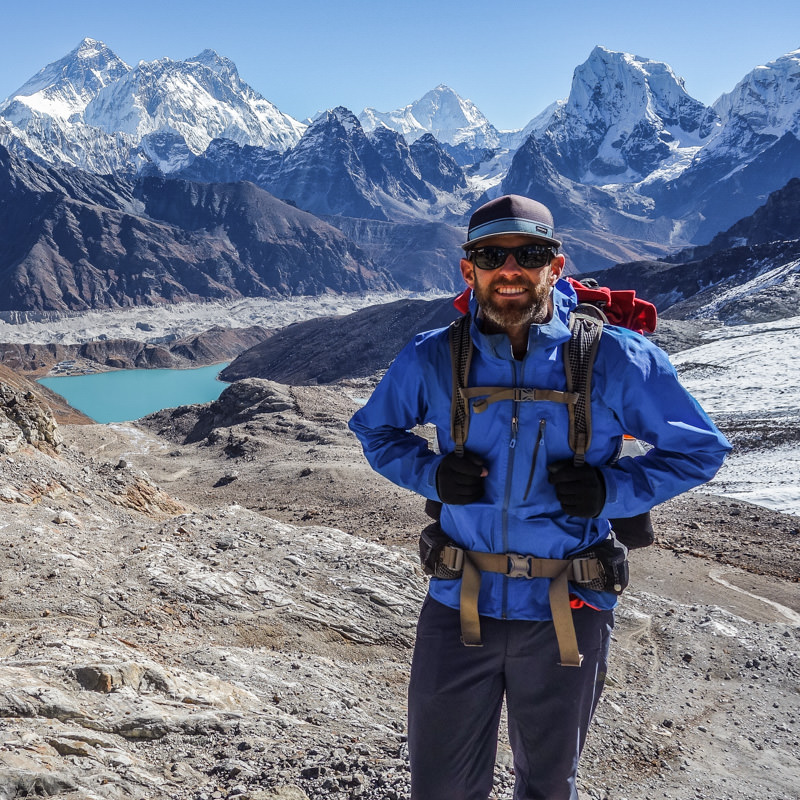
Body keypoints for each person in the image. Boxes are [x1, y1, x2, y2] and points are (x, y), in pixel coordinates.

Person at [348, 194, 731, 800]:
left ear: (556, 264)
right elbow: (375, 429)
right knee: (439, 786)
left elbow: (702, 448)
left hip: (567, 611)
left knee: (550, 786)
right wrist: (430, 475)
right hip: (458, 604)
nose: (510, 269)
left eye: (529, 254)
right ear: (467, 267)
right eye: (490, 255)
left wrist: (614, 488)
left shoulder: (615, 358)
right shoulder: (433, 357)